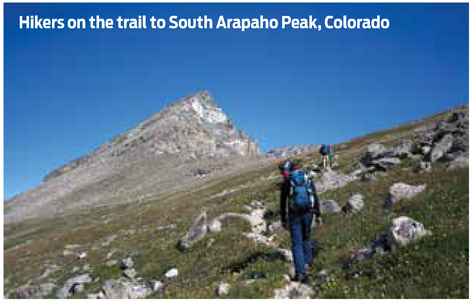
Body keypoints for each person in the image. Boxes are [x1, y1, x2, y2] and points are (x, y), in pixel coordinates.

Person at [281, 160, 322, 282]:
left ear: (291, 169)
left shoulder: (287, 181)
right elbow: (314, 196)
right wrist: (318, 215)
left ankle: (300, 272)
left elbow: (282, 202)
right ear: (301, 168)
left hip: (294, 215)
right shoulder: (308, 179)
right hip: (308, 213)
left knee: (296, 243)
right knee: (307, 237)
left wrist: (283, 219)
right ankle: (308, 264)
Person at [278, 159, 292, 229]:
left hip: (286, 185)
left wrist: (283, 219)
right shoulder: (303, 178)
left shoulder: (285, 184)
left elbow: (282, 203)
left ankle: (285, 222)